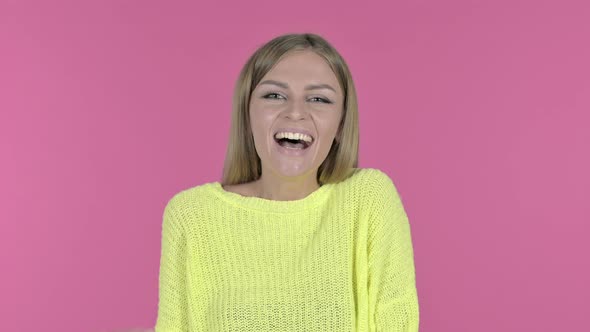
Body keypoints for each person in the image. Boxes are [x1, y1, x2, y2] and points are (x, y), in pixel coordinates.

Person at [154, 33, 419, 331]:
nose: (295, 112)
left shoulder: (368, 199)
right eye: (274, 95)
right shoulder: (192, 215)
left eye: (319, 99)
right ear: (247, 111)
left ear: (341, 124)